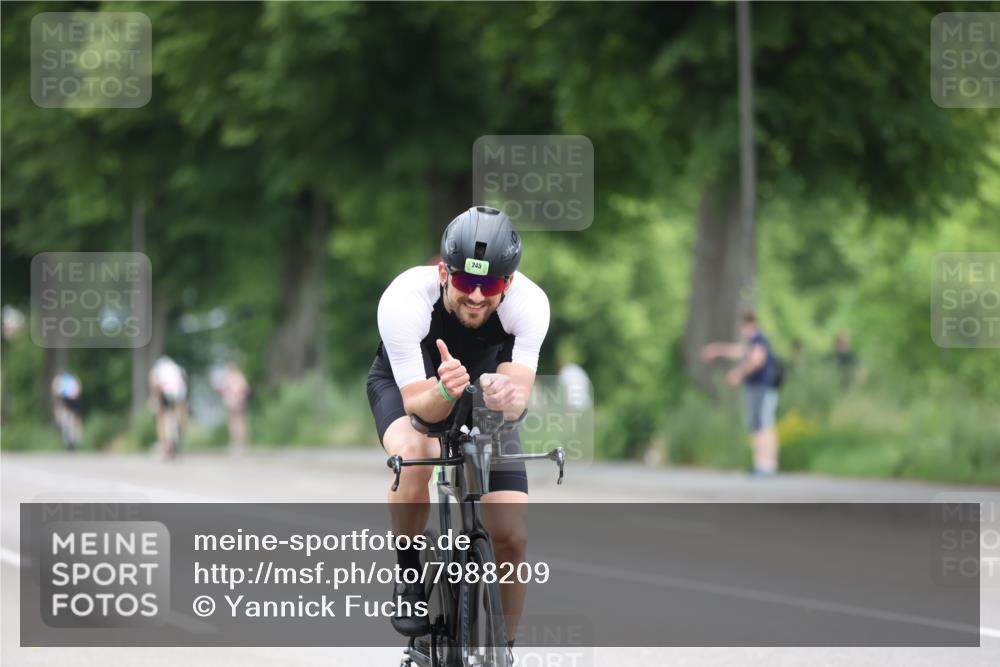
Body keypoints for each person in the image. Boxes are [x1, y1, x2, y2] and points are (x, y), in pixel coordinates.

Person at [367, 206, 549, 661]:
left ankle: (504, 651)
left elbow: (518, 399)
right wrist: (446, 391)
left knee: (511, 534)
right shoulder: (404, 298)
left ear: (508, 282)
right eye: (467, 282)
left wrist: (507, 397)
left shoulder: (530, 304)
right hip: (412, 386)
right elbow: (420, 411)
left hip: (485, 391)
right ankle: (409, 574)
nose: (477, 296)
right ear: (444, 271)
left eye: (491, 286)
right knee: (414, 456)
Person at [701, 311, 780, 475]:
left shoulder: (758, 339)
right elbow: (739, 351)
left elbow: (756, 360)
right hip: (760, 388)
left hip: (761, 388)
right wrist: (716, 350)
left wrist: (739, 374)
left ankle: (765, 464)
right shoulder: (754, 340)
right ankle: (763, 463)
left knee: (762, 424)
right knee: (761, 424)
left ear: (747, 324)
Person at [149, 355, 188, 459]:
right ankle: (180, 431)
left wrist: (155, 398)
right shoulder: (176, 367)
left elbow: (154, 384)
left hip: (166, 390)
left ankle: (164, 443)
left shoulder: (157, 369)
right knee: (179, 413)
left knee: (161, 416)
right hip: (180, 389)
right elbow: (184, 381)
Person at [213, 362, 251, 453]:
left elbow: (220, 389)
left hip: (233, 403)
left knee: (234, 423)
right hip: (240, 402)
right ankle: (242, 443)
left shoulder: (229, 378)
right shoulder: (240, 377)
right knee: (241, 422)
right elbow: (246, 390)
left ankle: (236, 443)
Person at [50, 370, 83, 450]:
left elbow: (55, 392)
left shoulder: (60, 380)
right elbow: (78, 391)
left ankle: (69, 441)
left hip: (66, 404)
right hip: (72, 404)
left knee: (67, 423)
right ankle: (72, 441)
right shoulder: (73, 380)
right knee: (70, 423)